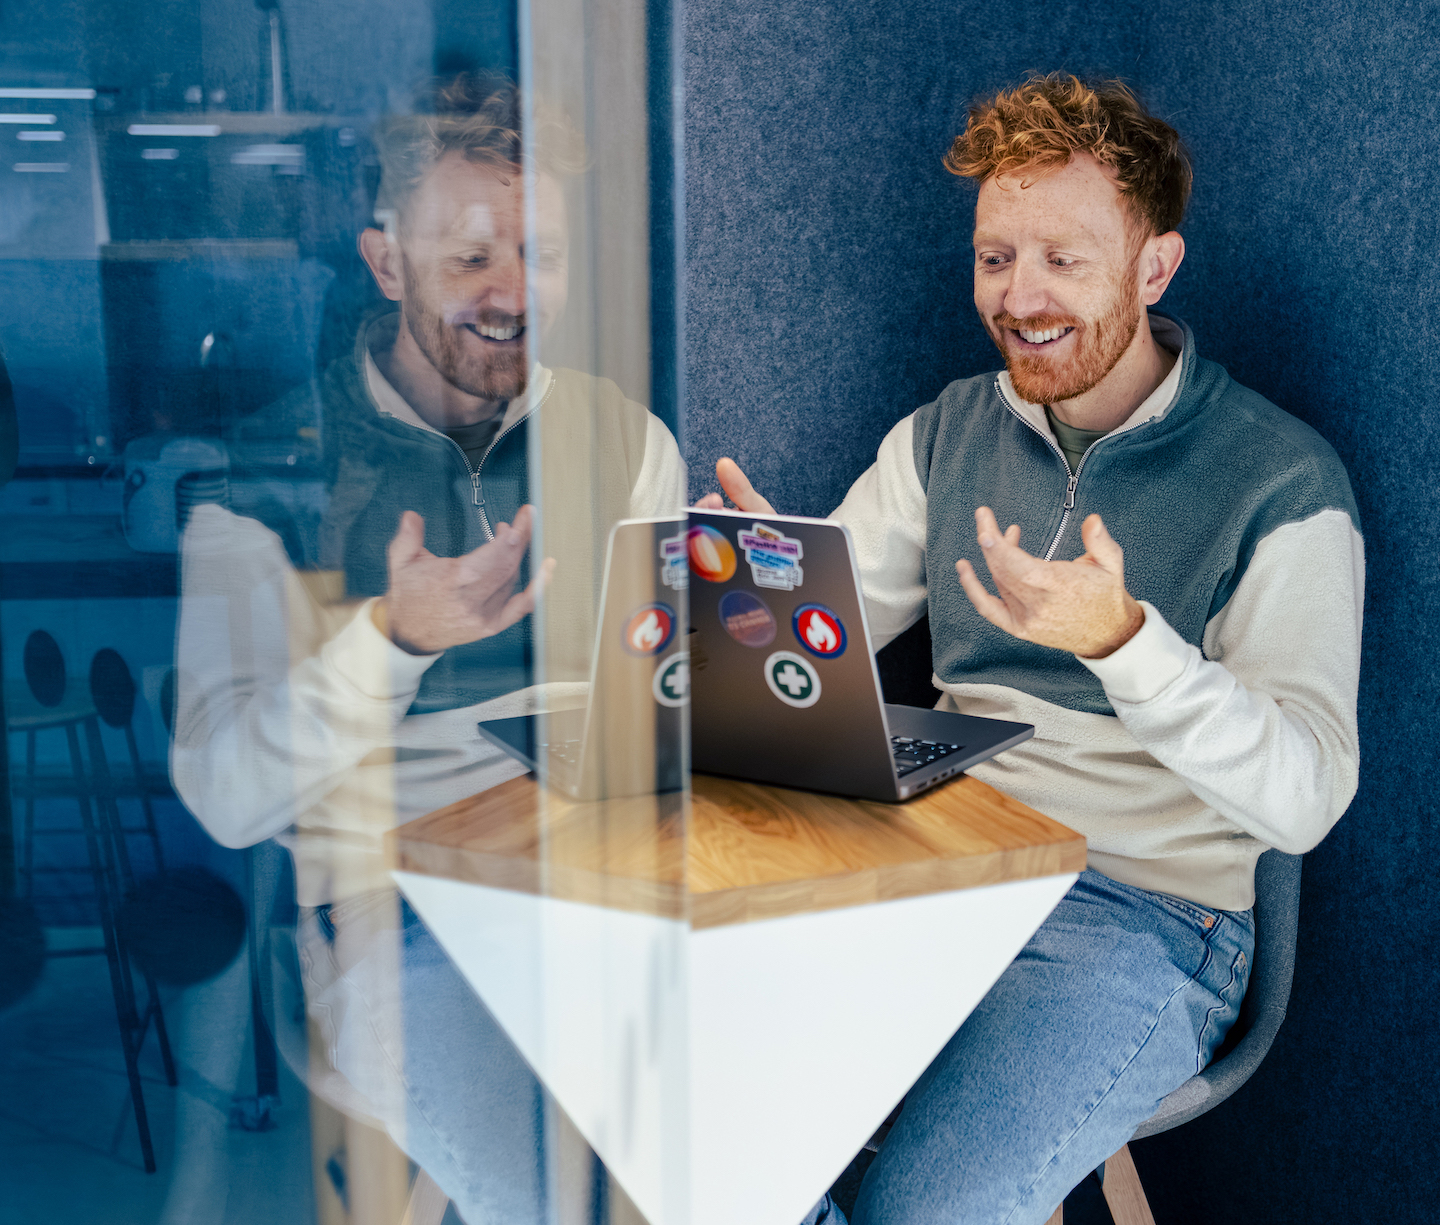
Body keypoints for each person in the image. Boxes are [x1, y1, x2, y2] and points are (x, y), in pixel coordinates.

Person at [703, 74, 1364, 1224]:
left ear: (1153, 269)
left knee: (921, 1212)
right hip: (943, 876)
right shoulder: (943, 433)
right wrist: (756, 602)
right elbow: (808, 650)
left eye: (1063, 258)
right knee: (706, 1155)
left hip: (1149, 920)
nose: (1020, 297)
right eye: (995, 257)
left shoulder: (1282, 483)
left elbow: (1303, 797)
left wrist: (1121, 641)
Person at [172, 74, 683, 1225]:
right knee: (580, 1204)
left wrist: (744, 611)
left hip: (607, 899)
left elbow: (663, 721)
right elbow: (224, 797)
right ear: (386, 262)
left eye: (539, 257)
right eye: (469, 261)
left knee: (764, 1159)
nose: (513, 294)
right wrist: (393, 644)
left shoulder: (627, 440)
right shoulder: (260, 488)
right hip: (394, 920)